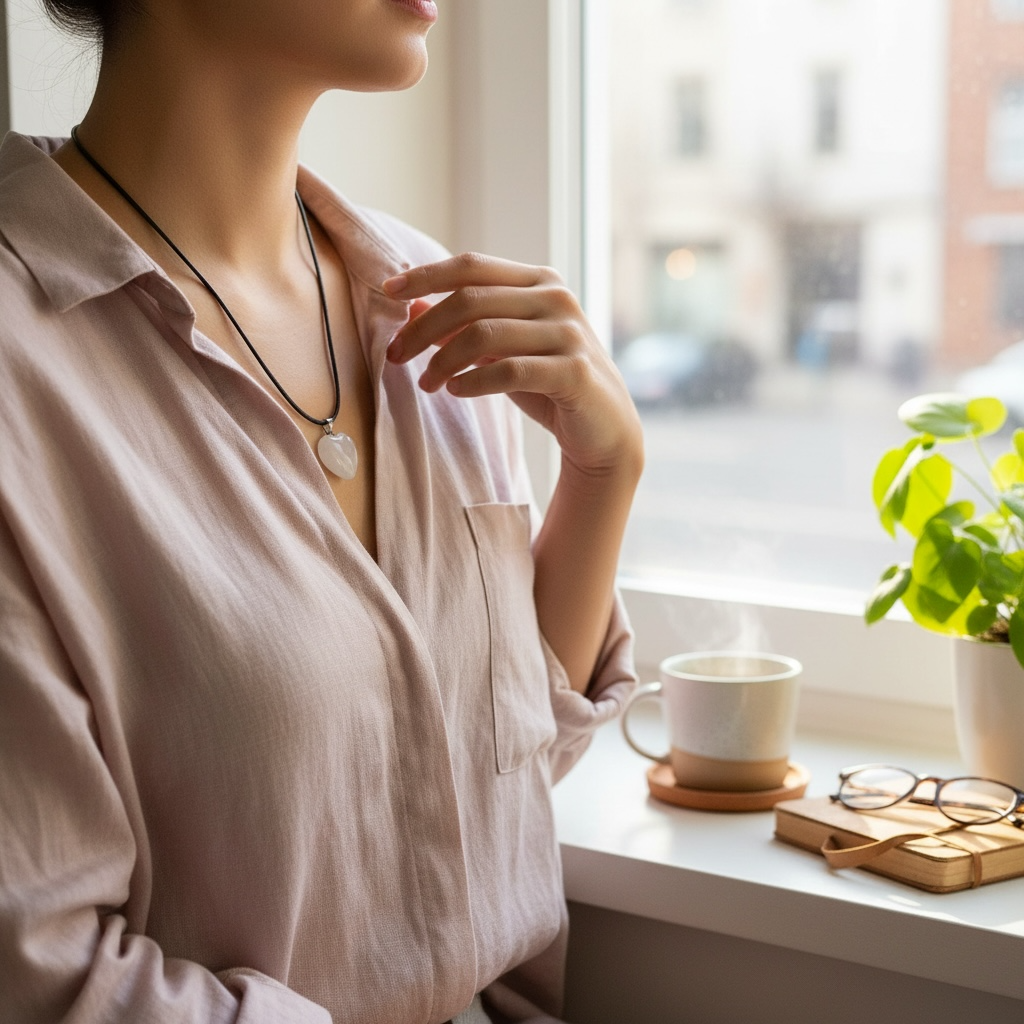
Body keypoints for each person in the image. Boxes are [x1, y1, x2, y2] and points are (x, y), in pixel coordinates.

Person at [0, 1, 643, 1021]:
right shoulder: (21, 371)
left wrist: (602, 477)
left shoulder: (429, 307)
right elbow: (43, 976)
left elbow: (481, 778)